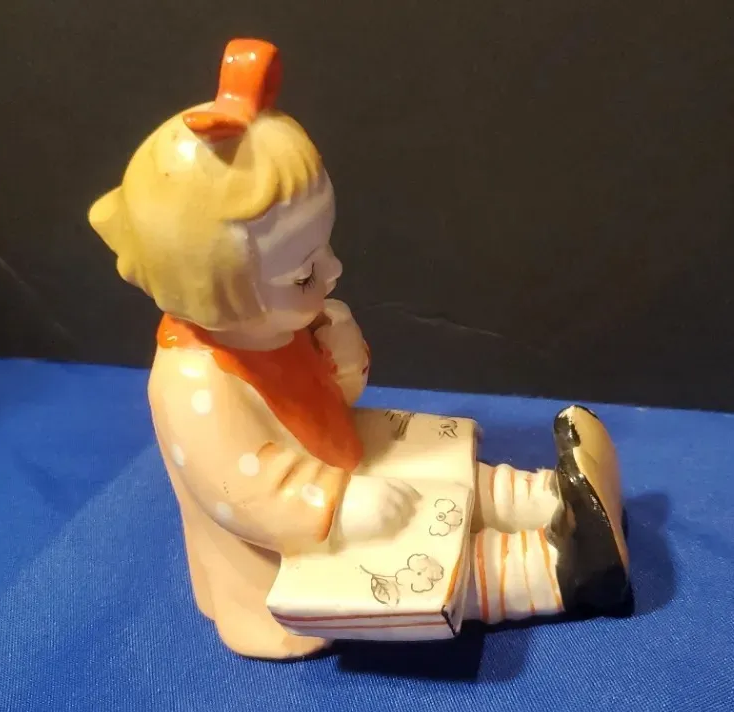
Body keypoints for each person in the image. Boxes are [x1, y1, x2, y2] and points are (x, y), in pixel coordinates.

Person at [88, 39, 631, 660]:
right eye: (303, 273)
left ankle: (544, 497)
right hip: (285, 550)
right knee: (411, 558)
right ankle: (559, 570)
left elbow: (333, 398)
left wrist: (340, 352)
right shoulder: (192, 385)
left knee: (427, 457)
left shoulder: (275, 324)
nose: (333, 271)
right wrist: (340, 506)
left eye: (324, 249)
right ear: (214, 294)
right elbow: (241, 492)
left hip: (341, 461)